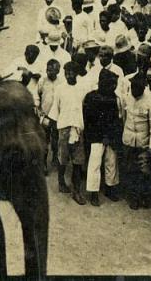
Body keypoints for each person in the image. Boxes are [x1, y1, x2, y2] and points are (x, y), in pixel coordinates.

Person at [83, 68, 121, 206]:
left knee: (111, 162)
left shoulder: (113, 98)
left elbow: (115, 119)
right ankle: (93, 192)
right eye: (112, 84)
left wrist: (110, 136)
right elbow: (89, 120)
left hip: (110, 135)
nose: (114, 87)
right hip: (96, 136)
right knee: (95, 164)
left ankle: (109, 188)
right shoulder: (91, 97)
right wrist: (101, 136)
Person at [54, 61, 87, 205]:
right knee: (63, 159)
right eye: (66, 73)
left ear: (76, 73)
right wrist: (57, 128)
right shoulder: (60, 88)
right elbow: (56, 109)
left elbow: (84, 109)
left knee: (78, 162)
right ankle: (61, 182)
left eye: (71, 73)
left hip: (78, 128)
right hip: (64, 127)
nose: (68, 75)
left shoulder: (82, 88)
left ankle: (76, 191)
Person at [121, 73, 151, 209]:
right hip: (129, 140)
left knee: (144, 171)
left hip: (143, 142)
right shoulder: (127, 99)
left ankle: (144, 197)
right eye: (133, 86)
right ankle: (133, 198)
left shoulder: (150, 102)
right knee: (130, 169)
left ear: (143, 88)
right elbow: (124, 117)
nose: (134, 90)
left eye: (137, 87)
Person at [38, 59, 61, 175]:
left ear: (58, 70)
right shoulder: (42, 81)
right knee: (44, 140)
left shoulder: (61, 82)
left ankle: (55, 158)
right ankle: (43, 164)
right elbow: (37, 96)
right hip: (45, 115)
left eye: (53, 70)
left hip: (57, 116)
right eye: (48, 70)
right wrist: (40, 111)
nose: (50, 72)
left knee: (56, 139)